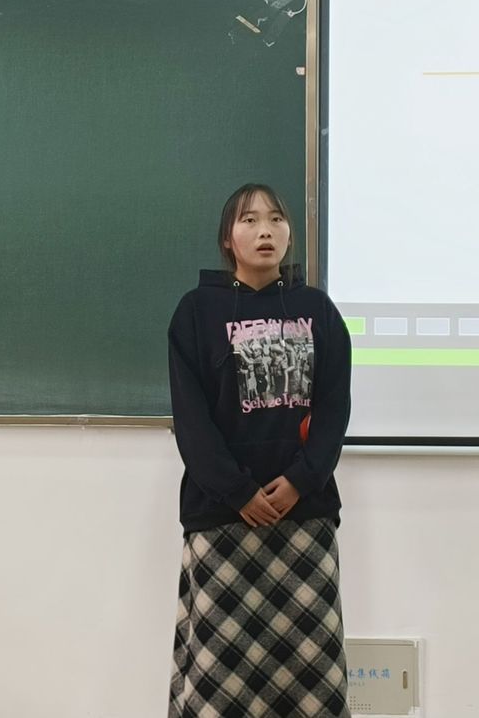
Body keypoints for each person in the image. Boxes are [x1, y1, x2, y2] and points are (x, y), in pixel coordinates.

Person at [167, 183, 352, 717]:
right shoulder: (196, 312)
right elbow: (191, 422)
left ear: (289, 233)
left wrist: (300, 481)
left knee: (310, 683)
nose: (265, 230)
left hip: (304, 518)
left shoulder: (317, 310)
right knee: (219, 684)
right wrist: (238, 491)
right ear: (228, 239)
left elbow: (334, 408)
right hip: (222, 518)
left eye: (275, 219)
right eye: (249, 220)